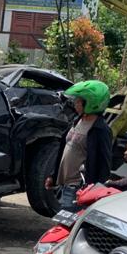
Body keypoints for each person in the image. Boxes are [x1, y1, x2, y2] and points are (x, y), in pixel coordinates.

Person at [45, 80, 113, 210]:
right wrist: (53, 176)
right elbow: (64, 150)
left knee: (67, 226)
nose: (75, 103)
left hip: (77, 189)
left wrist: (94, 191)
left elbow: (104, 164)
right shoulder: (78, 121)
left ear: (91, 103)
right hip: (64, 186)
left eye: (79, 100)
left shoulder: (100, 130)